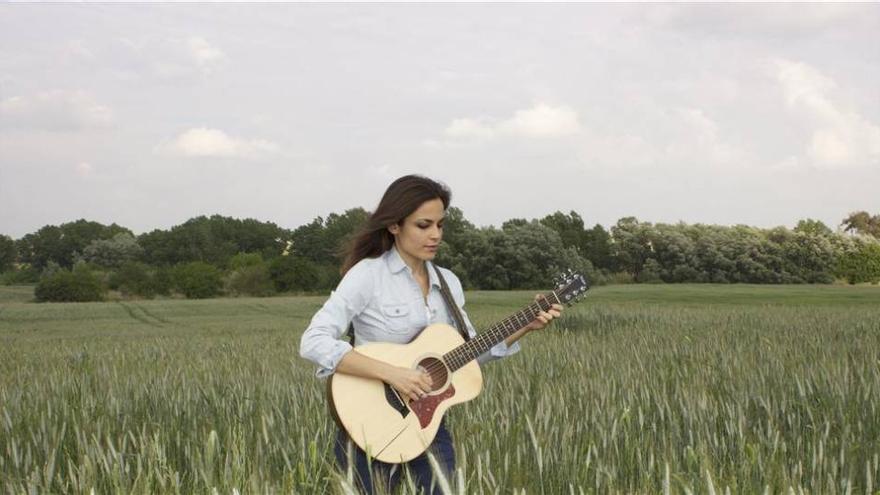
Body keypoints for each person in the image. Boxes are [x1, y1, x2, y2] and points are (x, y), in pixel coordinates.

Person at [299, 175, 563, 494]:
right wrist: (395, 374)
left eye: (440, 225)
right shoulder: (367, 276)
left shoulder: (447, 283)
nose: (435, 235)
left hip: (427, 425)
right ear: (395, 225)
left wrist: (524, 326)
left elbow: (469, 354)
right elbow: (313, 341)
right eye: (423, 225)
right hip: (369, 422)